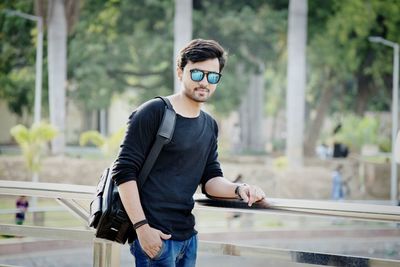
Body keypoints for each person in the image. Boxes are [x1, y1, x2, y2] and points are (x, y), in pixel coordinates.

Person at [112, 39, 266, 267]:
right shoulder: (153, 112)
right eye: (197, 74)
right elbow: (124, 171)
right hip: (155, 237)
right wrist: (142, 228)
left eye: (212, 77)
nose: (205, 82)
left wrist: (239, 189)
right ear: (180, 72)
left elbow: (211, 179)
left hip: (188, 238)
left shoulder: (210, 125)